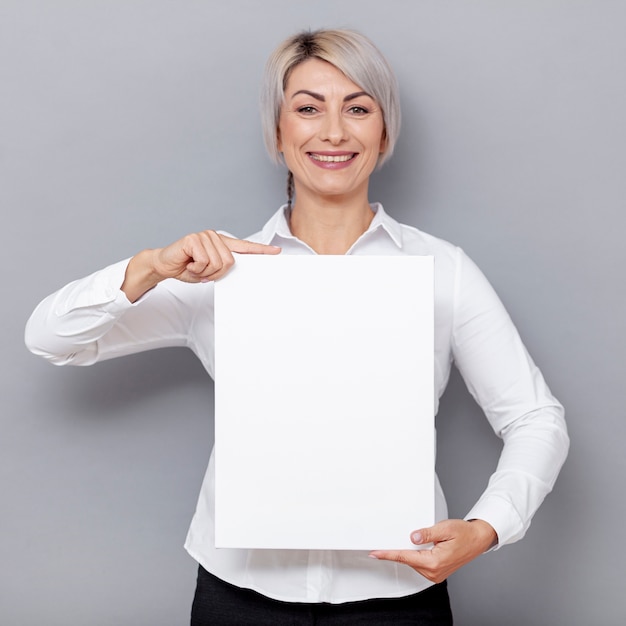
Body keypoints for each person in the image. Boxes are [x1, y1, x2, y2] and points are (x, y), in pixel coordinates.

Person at [25, 29, 569, 625]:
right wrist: (152, 265)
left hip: (395, 598)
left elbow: (534, 418)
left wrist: (487, 527)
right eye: (308, 108)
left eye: (357, 108)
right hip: (238, 596)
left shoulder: (443, 271)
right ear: (277, 133)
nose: (333, 131)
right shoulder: (216, 271)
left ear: (383, 132)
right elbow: (52, 338)